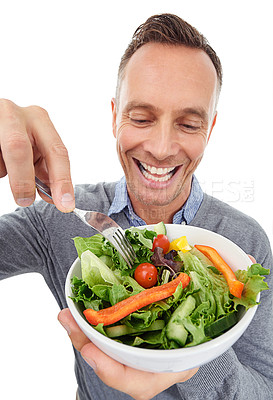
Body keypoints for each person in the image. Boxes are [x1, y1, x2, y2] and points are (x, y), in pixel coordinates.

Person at [0, 13, 272, 400]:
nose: (161, 148)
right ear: (115, 117)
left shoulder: (245, 245)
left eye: (189, 124)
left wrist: (192, 357)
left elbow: (266, 388)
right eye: (142, 118)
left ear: (210, 130)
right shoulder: (57, 216)